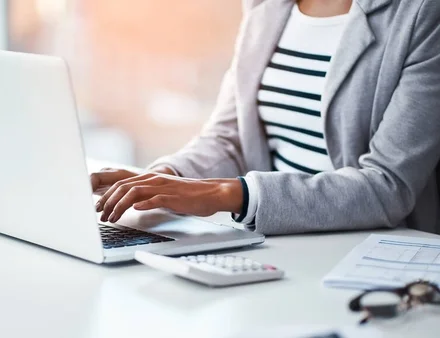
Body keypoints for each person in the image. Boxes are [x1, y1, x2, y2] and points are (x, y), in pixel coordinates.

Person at [90, 0, 440, 235]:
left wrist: (228, 193)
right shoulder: (265, 6)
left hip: (366, 251)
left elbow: (387, 186)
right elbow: (230, 137)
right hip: (277, 242)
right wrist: (165, 179)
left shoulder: (421, 13)